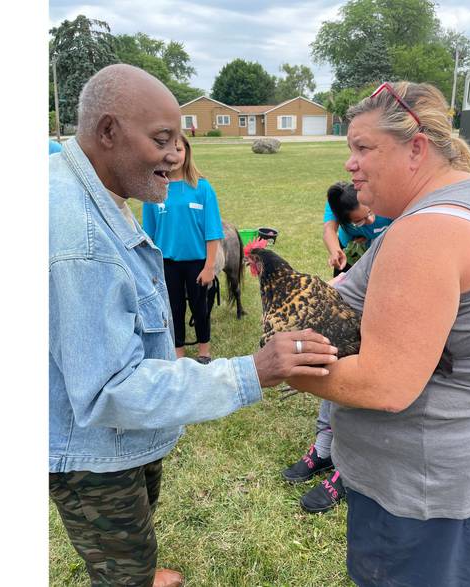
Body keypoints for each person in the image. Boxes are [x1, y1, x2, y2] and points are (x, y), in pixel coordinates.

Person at [49, 64, 338, 587]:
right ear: (108, 132)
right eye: (162, 139)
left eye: (179, 140)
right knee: (120, 569)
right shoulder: (80, 242)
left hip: (122, 440)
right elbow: (109, 391)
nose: (175, 154)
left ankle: (134, 561)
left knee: (136, 526)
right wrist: (252, 371)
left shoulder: (93, 194)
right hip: (93, 451)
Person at [289, 81, 470, 586]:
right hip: (462, 479)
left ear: (416, 148)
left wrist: (281, 366)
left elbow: (384, 384)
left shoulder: (424, 233)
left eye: (363, 148)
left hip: (421, 495)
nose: (350, 165)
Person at [282, 182, 393, 514]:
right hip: (355, 286)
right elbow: (330, 230)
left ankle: (351, 467)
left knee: (365, 377)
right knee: (337, 363)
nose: (352, 164)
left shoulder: (400, 199)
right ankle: (325, 448)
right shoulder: (347, 195)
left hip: (388, 296)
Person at [142, 134, 220, 364]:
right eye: (168, 149)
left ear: (187, 153)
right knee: (173, 309)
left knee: (200, 307)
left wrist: (210, 266)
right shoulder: (153, 190)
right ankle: (178, 353)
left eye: (179, 150)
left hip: (198, 263)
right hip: (167, 264)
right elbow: (149, 235)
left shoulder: (202, 188)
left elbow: (213, 231)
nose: (174, 156)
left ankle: (204, 351)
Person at [322, 182, 392, 277]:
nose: (370, 220)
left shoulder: (384, 199)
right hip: (351, 253)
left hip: (382, 247)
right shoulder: (338, 204)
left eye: (370, 212)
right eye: (359, 221)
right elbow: (329, 230)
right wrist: (335, 251)